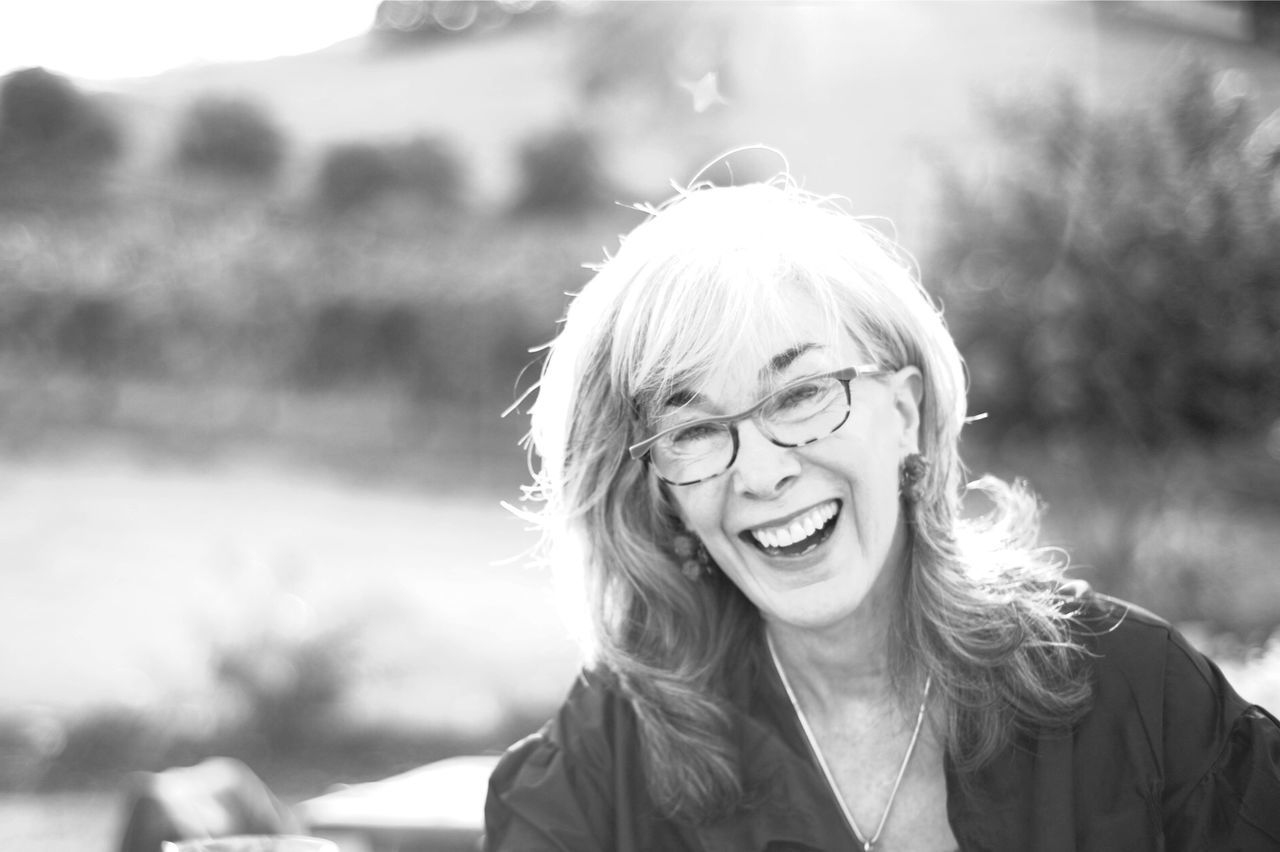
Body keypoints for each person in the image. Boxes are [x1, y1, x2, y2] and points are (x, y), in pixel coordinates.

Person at [483, 176, 1280, 851]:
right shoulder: (603, 769)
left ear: (905, 412)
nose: (761, 473)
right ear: (662, 491)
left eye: (800, 394)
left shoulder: (1141, 701)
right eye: (693, 431)